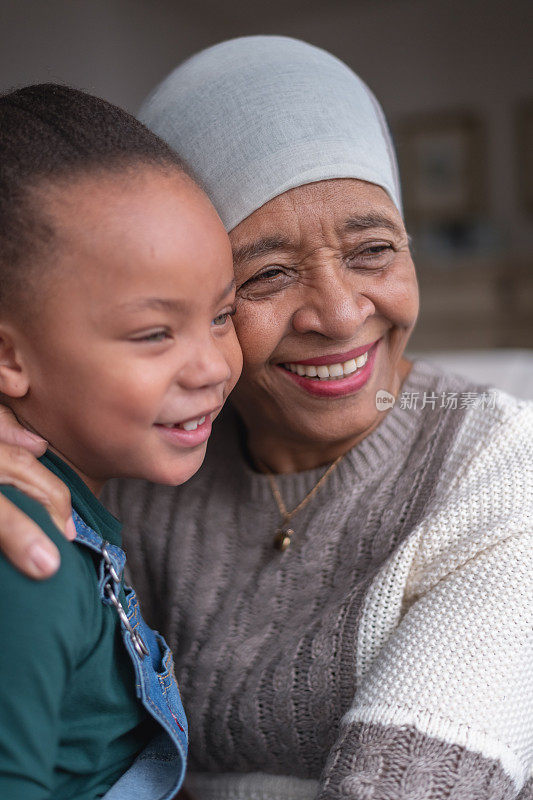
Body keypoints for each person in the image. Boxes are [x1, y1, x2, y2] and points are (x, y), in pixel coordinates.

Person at [0, 37, 531, 800]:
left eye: (373, 249)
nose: (341, 314)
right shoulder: (137, 440)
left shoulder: (503, 468)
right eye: (267, 275)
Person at [0, 83, 241, 799]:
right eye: (153, 334)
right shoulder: (26, 558)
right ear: (10, 358)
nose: (212, 366)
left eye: (223, 314)